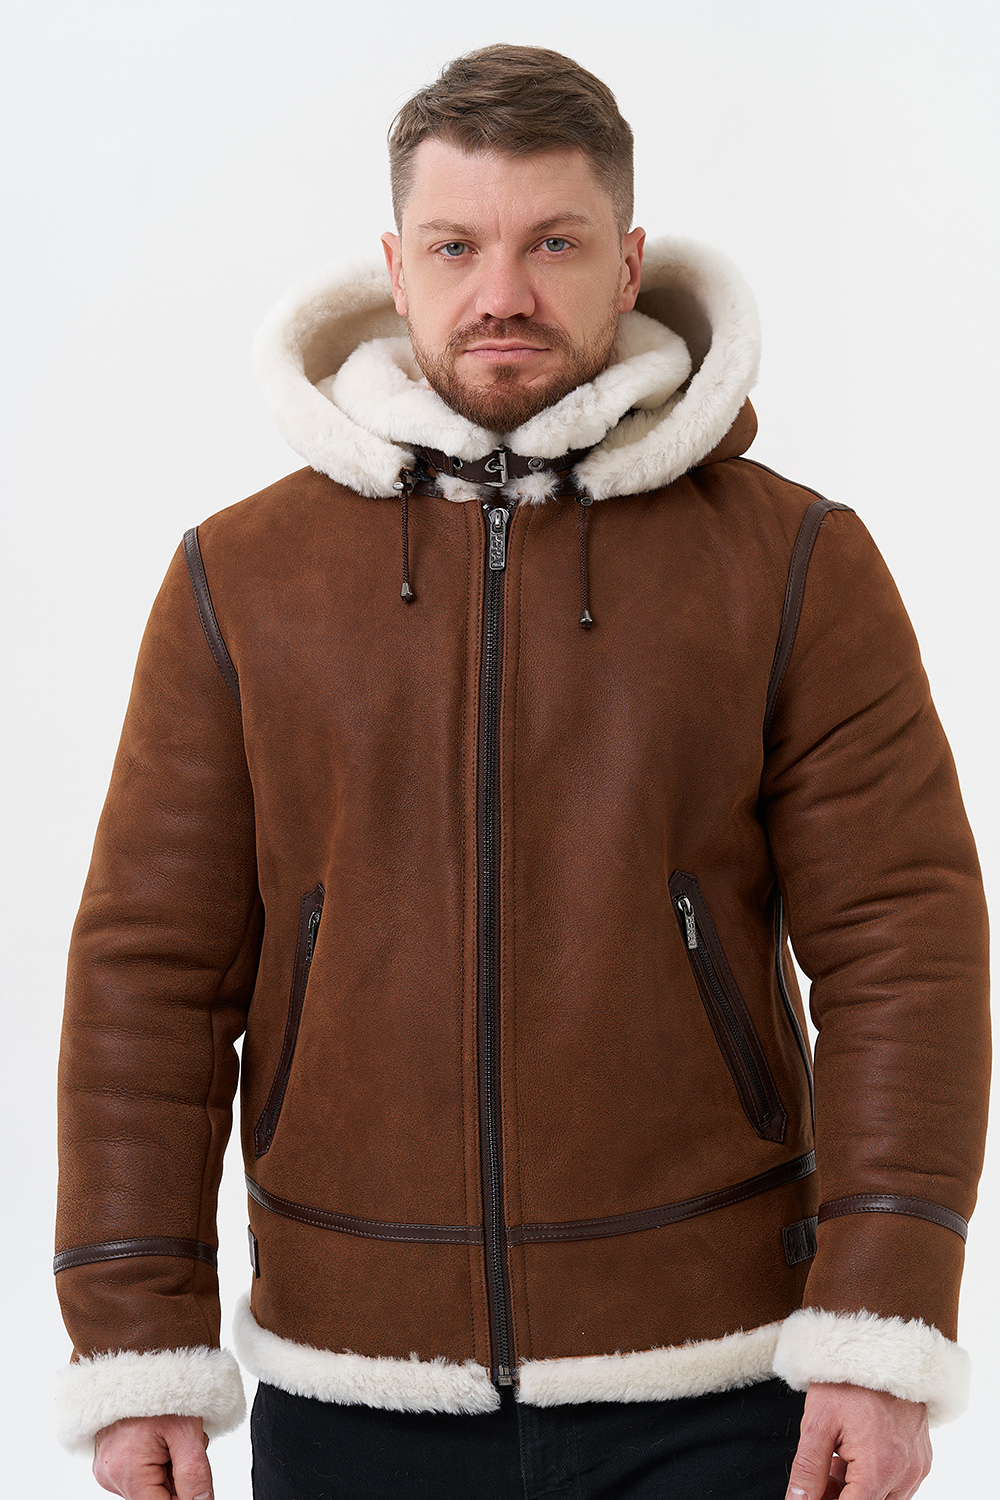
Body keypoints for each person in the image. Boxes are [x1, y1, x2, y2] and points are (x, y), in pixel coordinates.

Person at [54, 42, 989, 1500]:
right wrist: (137, 1346)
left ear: (628, 263)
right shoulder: (241, 580)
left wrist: (879, 1329)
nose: (502, 293)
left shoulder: (793, 562)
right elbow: (148, 980)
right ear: (395, 266)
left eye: (553, 243)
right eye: (456, 246)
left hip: (717, 1378)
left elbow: (903, 951)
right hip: (352, 1382)